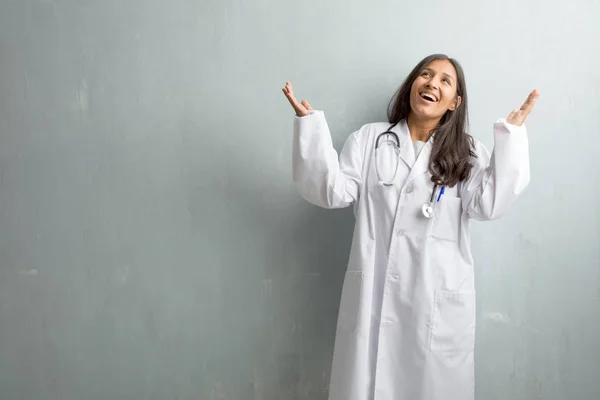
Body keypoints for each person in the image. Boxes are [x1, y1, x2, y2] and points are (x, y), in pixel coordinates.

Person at [281, 53, 539, 400]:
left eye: (445, 81)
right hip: (375, 297)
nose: (432, 83)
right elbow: (332, 191)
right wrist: (310, 129)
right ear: (412, 86)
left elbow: (488, 204)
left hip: (435, 303)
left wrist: (511, 136)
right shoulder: (370, 140)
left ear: (454, 102)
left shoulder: (467, 151)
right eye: (426, 75)